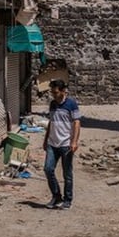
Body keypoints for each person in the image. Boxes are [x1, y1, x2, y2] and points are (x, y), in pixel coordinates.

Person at [43, 79, 81, 209]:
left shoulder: (71, 104)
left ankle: (67, 199)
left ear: (63, 91)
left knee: (67, 173)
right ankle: (56, 196)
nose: (53, 95)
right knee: (48, 169)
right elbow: (51, 122)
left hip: (66, 144)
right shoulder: (53, 104)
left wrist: (74, 141)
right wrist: (45, 139)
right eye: (52, 92)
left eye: (55, 92)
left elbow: (76, 123)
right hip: (52, 143)